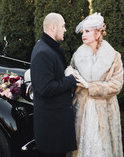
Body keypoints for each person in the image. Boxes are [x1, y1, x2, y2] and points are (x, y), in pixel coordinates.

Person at [67, 13, 124, 157]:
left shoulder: (114, 56)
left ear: (98, 33)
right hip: (82, 109)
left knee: (102, 147)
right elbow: (71, 77)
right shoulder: (77, 55)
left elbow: (116, 85)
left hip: (104, 110)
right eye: (82, 32)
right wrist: (69, 74)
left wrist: (90, 85)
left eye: (87, 31)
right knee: (81, 146)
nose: (83, 35)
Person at [30, 13, 78, 157]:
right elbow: (45, 88)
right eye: (63, 26)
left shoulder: (50, 48)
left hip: (57, 123)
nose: (65, 30)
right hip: (52, 128)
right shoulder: (43, 52)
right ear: (53, 27)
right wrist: (71, 80)